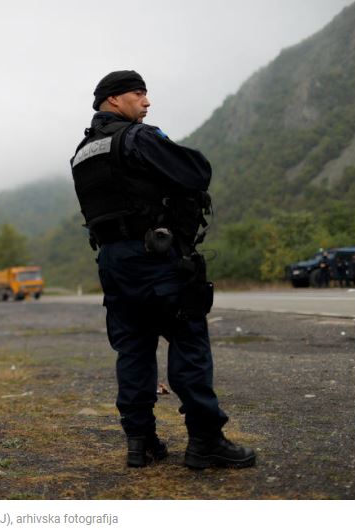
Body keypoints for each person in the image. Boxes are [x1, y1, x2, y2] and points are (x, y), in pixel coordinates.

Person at [70, 70, 256, 469]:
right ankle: (205, 441)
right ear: (114, 100)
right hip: (155, 257)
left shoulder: (82, 152)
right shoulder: (138, 137)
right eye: (139, 94)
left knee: (133, 351)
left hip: (113, 262)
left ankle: (142, 443)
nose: (147, 102)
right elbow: (195, 171)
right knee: (188, 341)